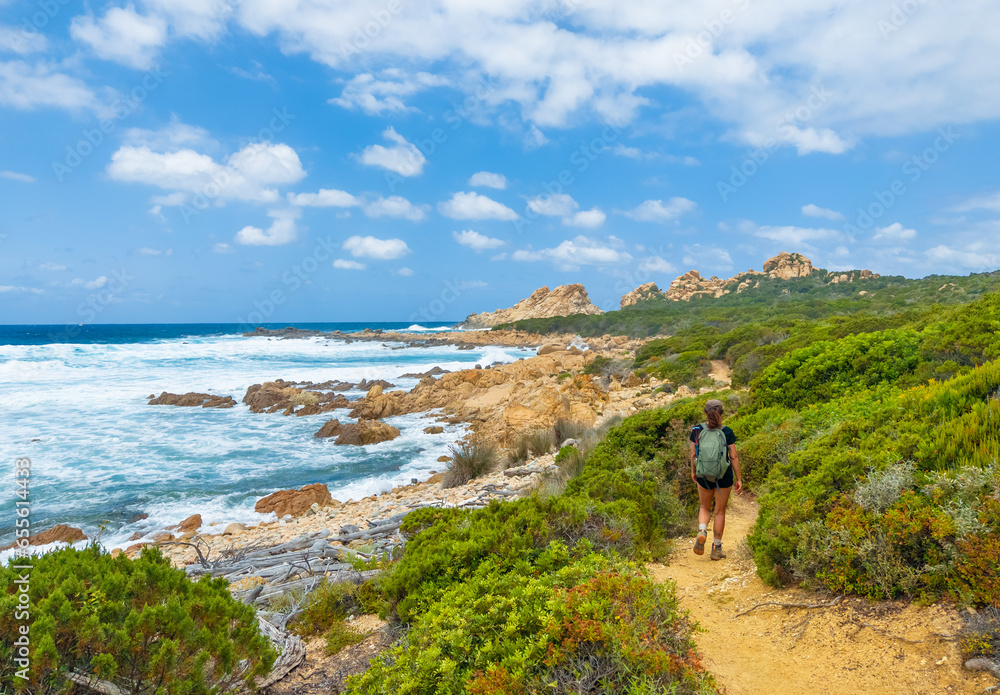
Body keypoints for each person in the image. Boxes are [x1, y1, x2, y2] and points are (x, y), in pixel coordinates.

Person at [690, 399, 742, 560]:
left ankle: (702, 530)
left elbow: (693, 454)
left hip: (703, 475)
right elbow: (733, 456)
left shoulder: (697, 430)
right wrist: (739, 478)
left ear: (705, 412)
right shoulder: (727, 432)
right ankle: (716, 548)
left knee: (704, 507)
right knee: (719, 511)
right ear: (722, 413)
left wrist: (694, 471)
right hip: (723, 476)